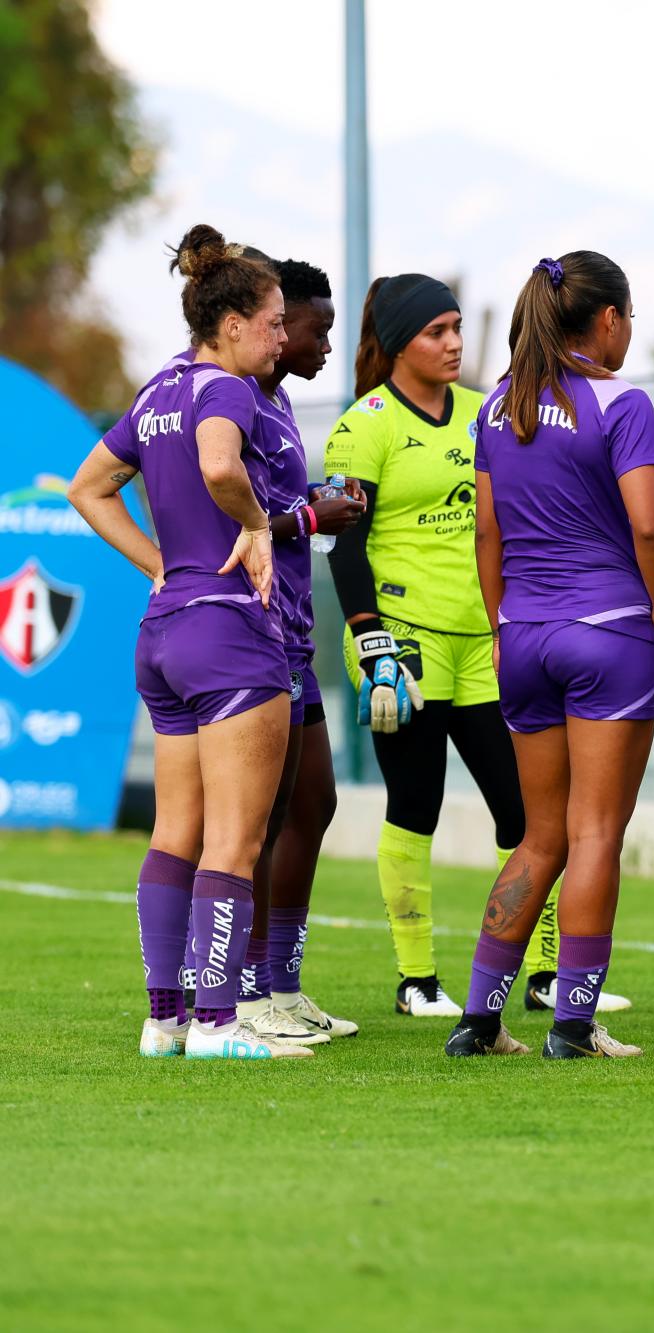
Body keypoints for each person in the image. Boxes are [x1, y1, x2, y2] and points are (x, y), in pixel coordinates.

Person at [326, 275, 624, 1018]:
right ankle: (417, 980)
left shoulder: (486, 411)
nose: (454, 342)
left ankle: (546, 975)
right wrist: (370, 641)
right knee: (415, 804)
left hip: (489, 643)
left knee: (527, 819)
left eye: (458, 327)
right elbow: (342, 546)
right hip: (404, 647)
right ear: (399, 343)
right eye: (437, 331)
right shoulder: (363, 425)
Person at [67, 224, 308, 1059]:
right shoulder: (227, 389)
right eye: (276, 321)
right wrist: (257, 524)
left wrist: (158, 564)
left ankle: (164, 1018)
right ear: (233, 321)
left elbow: (88, 487)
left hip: (165, 634)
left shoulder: (157, 387)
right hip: (230, 634)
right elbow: (217, 467)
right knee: (234, 842)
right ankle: (215, 1022)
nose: (283, 337)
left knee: (175, 831)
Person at [444, 251, 654, 1060]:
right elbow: (651, 528)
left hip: (522, 636)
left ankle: (479, 1018)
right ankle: (574, 1026)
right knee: (593, 834)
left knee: (540, 836)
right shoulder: (623, 406)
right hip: (610, 631)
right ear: (610, 320)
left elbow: (487, 534)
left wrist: (505, 623)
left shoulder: (495, 409)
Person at [234, 257, 369, 1044]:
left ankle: (281, 981)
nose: (314, 343)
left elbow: (273, 512)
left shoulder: (279, 400)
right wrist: (312, 519)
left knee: (312, 800)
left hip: (292, 631)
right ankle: (244, 991)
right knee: (262, 813)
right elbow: (230, 519)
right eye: (304, 327)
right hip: (249, 632)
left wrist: (313, 511)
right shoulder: (231, 401)